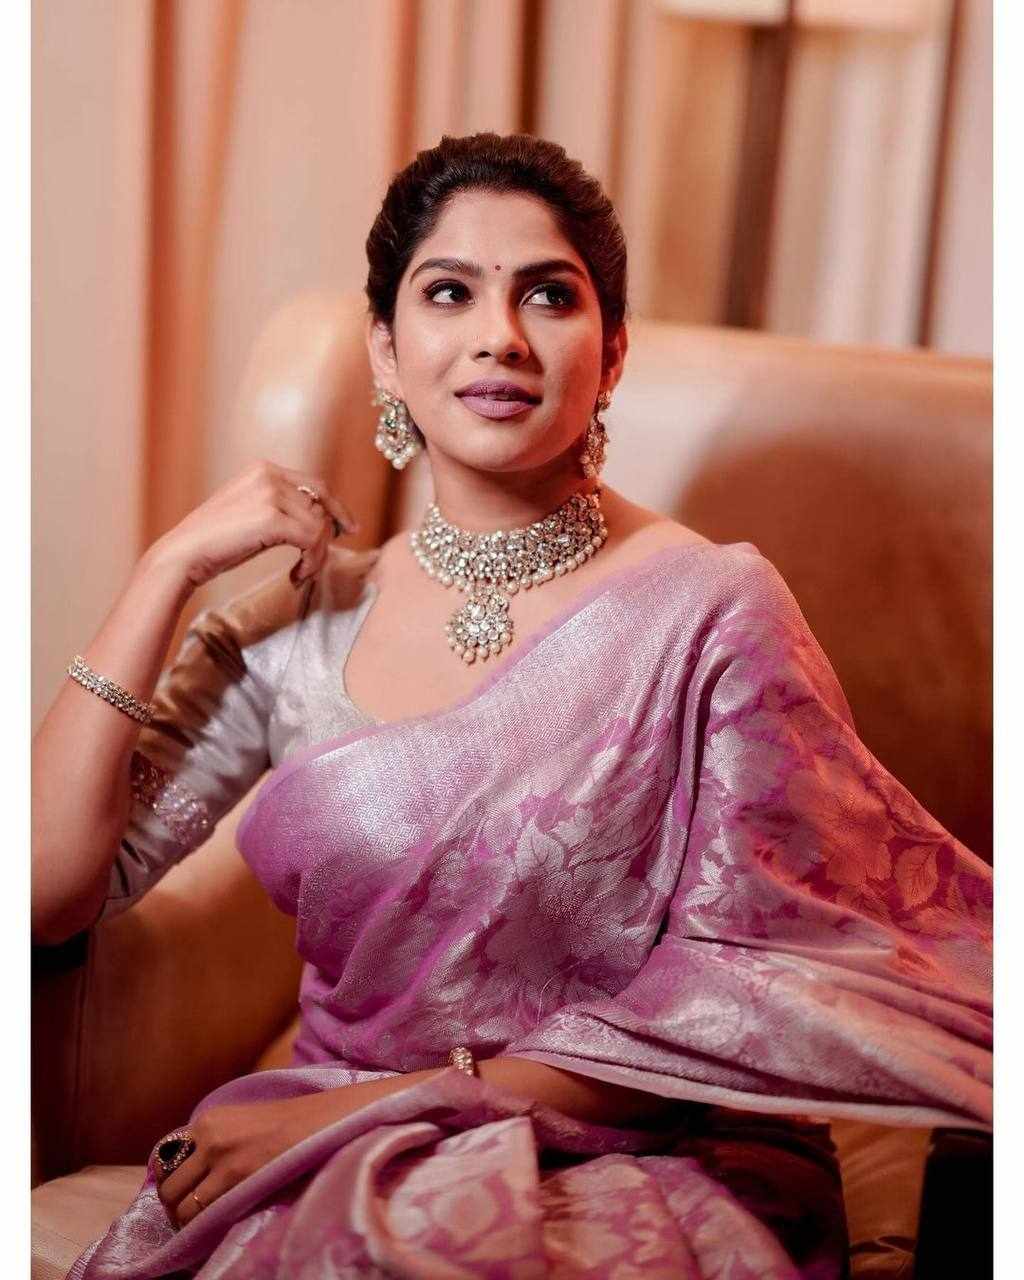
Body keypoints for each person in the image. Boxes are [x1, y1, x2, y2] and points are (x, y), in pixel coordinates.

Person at [33, 132, 991, 1279]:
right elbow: (46, 890)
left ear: (612, 349)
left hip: (648, 1152)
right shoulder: (298, 628)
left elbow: (737, 988)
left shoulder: (708, 609)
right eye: (450, 292)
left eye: (548, 294)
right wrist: (165, 570)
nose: (500, 334)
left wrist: (388, 1106)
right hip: (332, 1142)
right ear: (386, 350)